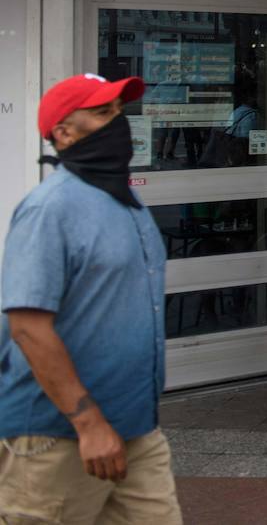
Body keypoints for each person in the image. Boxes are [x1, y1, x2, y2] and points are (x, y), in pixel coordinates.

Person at [1, 74, 183, 524]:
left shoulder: (128, 204)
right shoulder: (50, 208)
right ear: (63, 133)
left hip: (137, 429)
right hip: (57, 437)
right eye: (103, 113)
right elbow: (27, 326)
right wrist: (89, 423)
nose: (118, 123)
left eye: (120, 112)